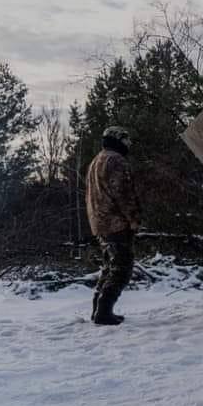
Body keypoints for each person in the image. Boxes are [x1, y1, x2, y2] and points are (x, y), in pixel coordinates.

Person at [85, 126, 142, 326]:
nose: (129, 144)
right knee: (122, 268)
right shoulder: (116, 161)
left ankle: (98, 309)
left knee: (110, 267)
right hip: (115, 222)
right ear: (119, 140)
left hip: (100, 222)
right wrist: (134, 219)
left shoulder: (97, 160)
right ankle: (103, 311)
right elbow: (124, 194)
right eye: (127, 140)